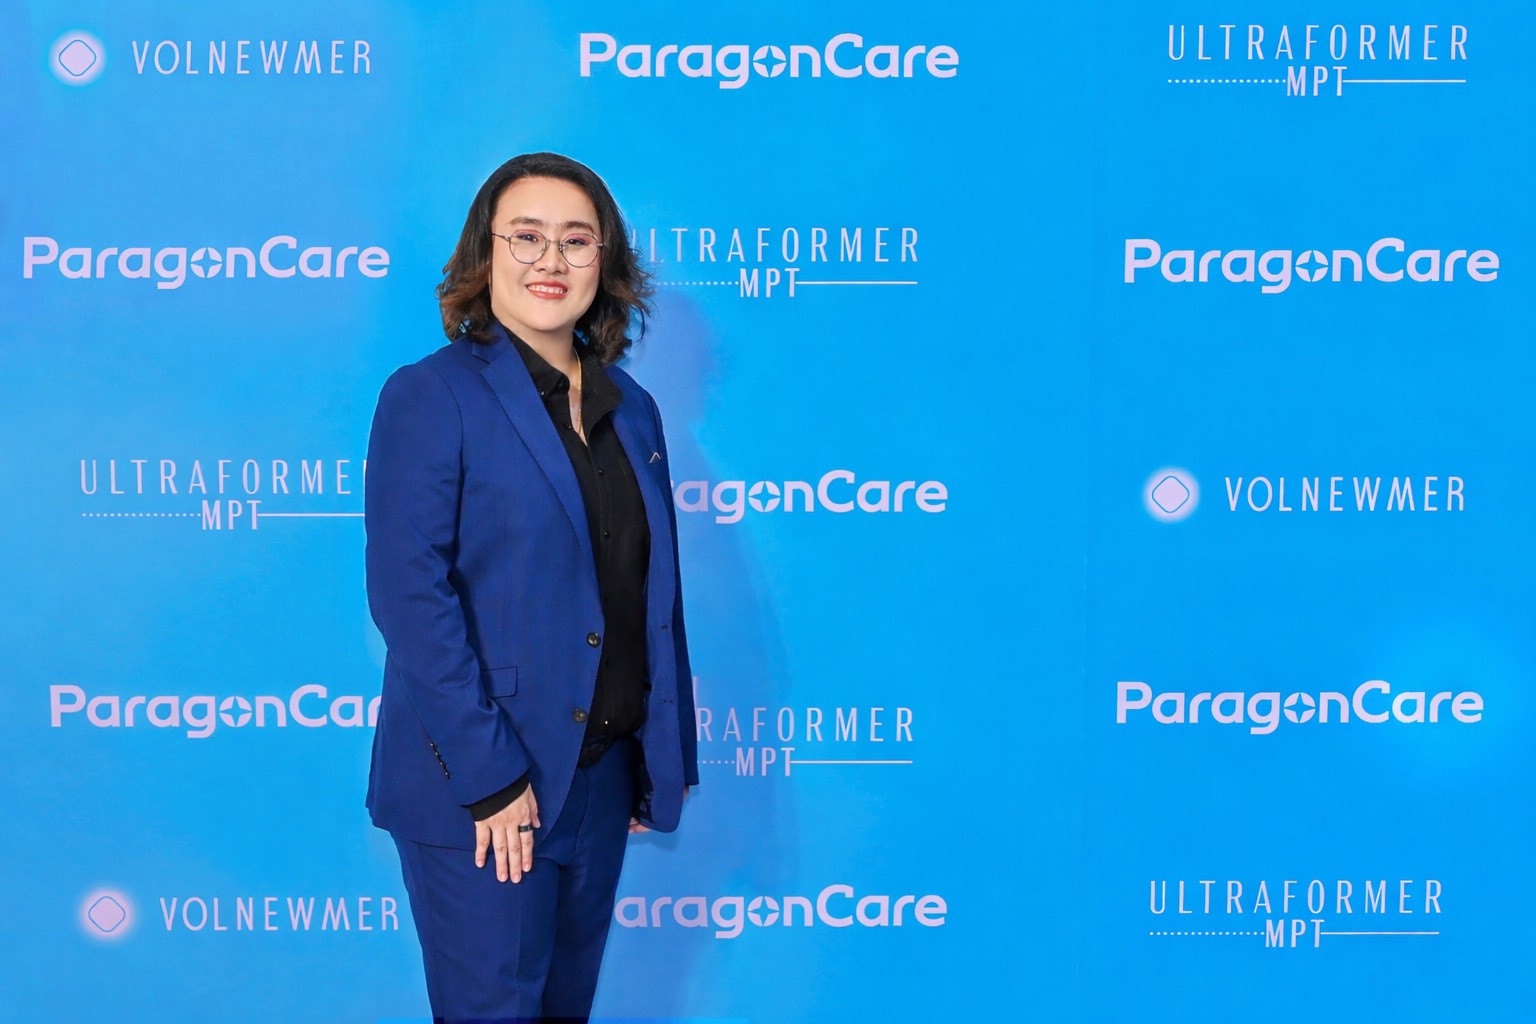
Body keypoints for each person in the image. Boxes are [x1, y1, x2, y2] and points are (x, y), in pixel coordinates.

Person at [363, 152, 698, 1023]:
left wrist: (654, 760)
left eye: (576, 240)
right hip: (488, 788)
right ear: (486, 255)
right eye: (527, 236)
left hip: (602, 779)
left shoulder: (632, 407)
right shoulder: (430, 396)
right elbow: (410, 595)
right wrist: (491, 778)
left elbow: (648, 594)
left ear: (604, 263)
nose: (552, 259)